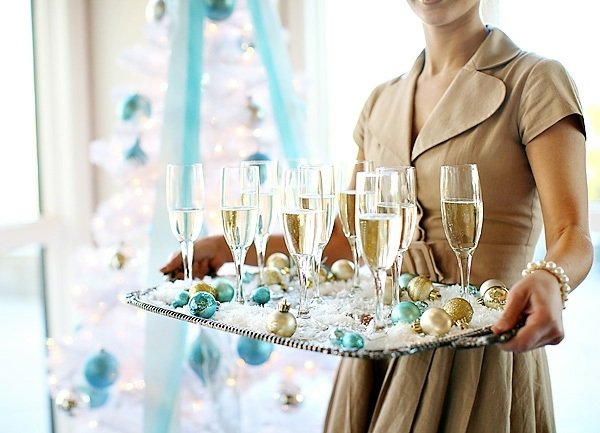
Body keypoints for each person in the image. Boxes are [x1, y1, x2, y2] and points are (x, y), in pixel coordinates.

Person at [161, 0, 593, 431]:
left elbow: (571, 232)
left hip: (483, 351)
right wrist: (227, 247)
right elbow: (347, 239)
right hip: (381, 347)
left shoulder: (536, 80)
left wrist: (551, 278)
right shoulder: (380, 102)